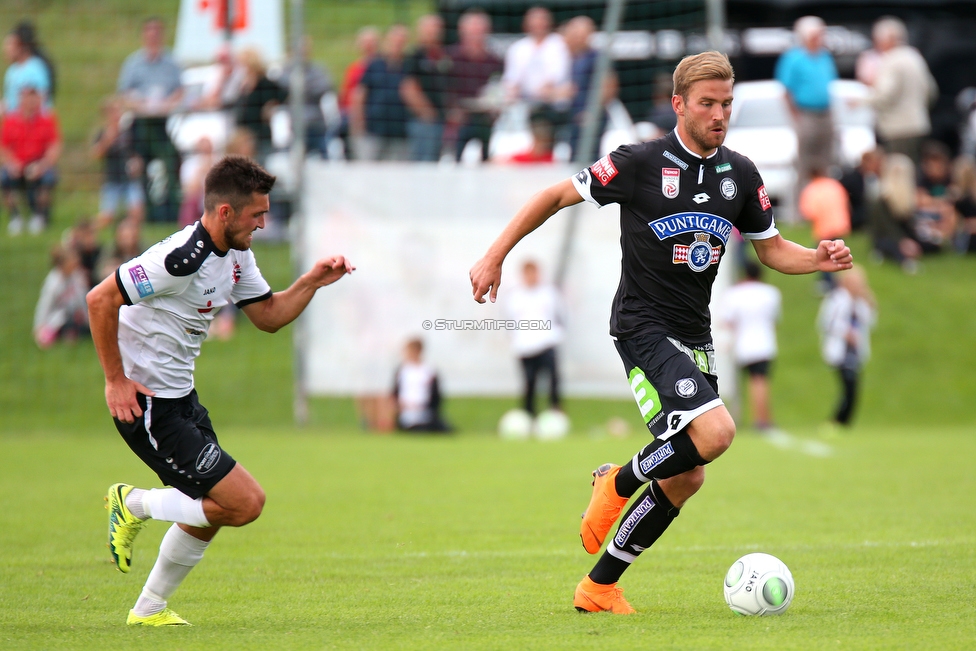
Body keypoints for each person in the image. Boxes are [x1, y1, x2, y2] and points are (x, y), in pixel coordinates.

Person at [469, 51, 853, 614]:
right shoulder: (639, 162)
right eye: (707, 104)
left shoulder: (741, 174)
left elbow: (771, 249)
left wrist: (817, 258)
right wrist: (495, 255)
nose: (719, 114)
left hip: (694, 335)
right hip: (642, 325)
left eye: (726, 104)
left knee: (687, 475)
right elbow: (554, 196)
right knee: (717, 432)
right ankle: (619, 482)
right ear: (679, 104)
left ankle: (597, 588)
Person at [87, 155, 355, 626]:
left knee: (210, 509)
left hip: (183, 400)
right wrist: (115, 379)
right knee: (244, 502)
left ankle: (148, 610)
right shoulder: (178, 260)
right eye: (257, 215)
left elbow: (268, 316)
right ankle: (132, 504)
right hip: (147, 406)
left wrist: (312, 282)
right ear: (226, 212)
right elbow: (100, 299)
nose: (264, 223)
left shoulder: (236, 255)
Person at [117, 17, 183, 222]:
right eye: (150, 33)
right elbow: (123, 94)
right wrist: (139, 103)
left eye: (157, 33)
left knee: (171, 160)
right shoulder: (134, 63)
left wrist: (167, 103)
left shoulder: (171, 63)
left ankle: (170, 210)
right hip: (140, 123)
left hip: (163, 122)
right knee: (139, 165)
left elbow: (180, 91)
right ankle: (145, 211)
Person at [774, 16, 837, 196]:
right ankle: (801, 208)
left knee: (827, 160)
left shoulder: (824, 56)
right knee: (805, 163)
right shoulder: (793, 58)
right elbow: (786, 91)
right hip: (806, 114)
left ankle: (825, 202)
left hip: (825, 113)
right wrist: (796, 117)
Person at [718, 260, 781, 431]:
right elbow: (775, 320)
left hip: (744, 345)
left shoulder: (735, 293)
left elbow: (727, 321)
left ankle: (757, 419)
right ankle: (762, 418)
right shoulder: (771, 293)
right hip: (765, 343)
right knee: (761, 381)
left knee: (753, 382)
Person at [867, 16, 938, 166]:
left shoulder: (891, 60)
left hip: (897, 129)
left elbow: (884, 95)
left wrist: (861, 101)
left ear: (889, 39)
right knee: (915, 168)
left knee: (898, 170)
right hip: (919, 125)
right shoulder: (915, 56)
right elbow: (931, 91)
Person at [817, 268, 875, 429]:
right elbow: (826, 322)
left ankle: (843, 423)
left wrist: (870, 301)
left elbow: (869, 322)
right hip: (840, 352)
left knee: (853, 389)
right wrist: (845, 332)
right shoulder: (836, 299)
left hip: (855, 353)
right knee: (848, 387)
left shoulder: (861, 302)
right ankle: (837, 421)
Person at [505, 260, 564, 416]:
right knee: (529, 383)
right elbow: (510, 322)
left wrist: (557, 333)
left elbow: (560, 316)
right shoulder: (515, 296)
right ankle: (529, 415)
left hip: (547, 343)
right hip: (525, 346)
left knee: (553, 380)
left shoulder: (549, 293)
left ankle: (555, 411)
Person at [0, 85, 61, 235]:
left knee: (47, 179)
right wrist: (11, 164)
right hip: (18, 163)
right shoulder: (11, 120)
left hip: (39, 163)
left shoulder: (46, 120)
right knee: (4, 178)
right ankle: (15, 216)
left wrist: (42, 165)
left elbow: (54, 146)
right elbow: (3, 146)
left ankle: (39, 215)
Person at [446, 10, 503, 162]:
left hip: (485, 118)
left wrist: (496, 109)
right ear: (462, 31)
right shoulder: (451, 57)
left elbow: (499, 87)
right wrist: (452, 110)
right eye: (472, 30)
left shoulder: (494, 60)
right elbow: (444, 87)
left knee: (487, 159)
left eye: (480, 30)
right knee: (455, 159)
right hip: (460, 119)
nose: (476, 34)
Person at [350, 25, 410, 161]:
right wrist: (358, 127)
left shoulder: (408, 66)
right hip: (374, 130)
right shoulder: (375, 65)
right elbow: (359, 96)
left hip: (399, 132)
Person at [562, 15, 618, 162]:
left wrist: (592, 112)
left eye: (580, 34)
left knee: (589, 159)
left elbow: (609, 86)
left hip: (591, 117)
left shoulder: (597, 57)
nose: (577, 38)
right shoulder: (573, 57)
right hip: (575, 116)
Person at [401, 15, 452, 162]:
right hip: (423, 122)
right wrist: (428, 113)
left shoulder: (443, 56)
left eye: (437, 29)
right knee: (423, 162)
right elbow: (408, 88)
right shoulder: (415, 56)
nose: (434, 33)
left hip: (442, 122)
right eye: (429, 29)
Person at [90, 96, 145, 228]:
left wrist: (137, 163)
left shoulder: (130, 132)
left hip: (130, 178)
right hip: (112, 179)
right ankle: (87, 229)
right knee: (107, 216)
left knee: (136, 212)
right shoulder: (102, 133)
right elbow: (96, 154)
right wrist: (110, 136)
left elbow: (139, 153)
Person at [502, 7, 571, 112]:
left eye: (542, 19)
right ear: (526, 24)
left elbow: (559, 73)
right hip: (524, 104)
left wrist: (545, 91)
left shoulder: (560, 43)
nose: (538, 23)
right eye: (534, 20)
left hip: (554, 103)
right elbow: (511, 79)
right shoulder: (517, 48)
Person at [279, 36, 334, 157]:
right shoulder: (285, 70)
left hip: (315, 124)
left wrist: (298, 87)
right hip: (293, 125)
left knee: (324, 157)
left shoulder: (318, 69)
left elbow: (325, 86)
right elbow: (281, 88)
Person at [233, 49, 288, 164]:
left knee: (261, 166)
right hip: (245, 135)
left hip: (261, 134)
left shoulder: (264, 82)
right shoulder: (243, 84)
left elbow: (284, 95)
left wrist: (273, 105)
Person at [868, 152, 921, 272]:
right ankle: (904, 261)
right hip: (886, 236)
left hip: (903, 235)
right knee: (893, 246)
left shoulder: (908, 196)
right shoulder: (882, 198)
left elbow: (908, 223)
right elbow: (886, 227)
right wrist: (903, 242)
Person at [33, 244, 89, 349]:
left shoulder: (77, 276)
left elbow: (82, 299)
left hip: (76, 314)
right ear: (62, 264)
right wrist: (38, 326)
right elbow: (44, 305)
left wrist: (86, 318)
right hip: (59, 317)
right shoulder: (53, 282)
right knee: (66, 323)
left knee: (84, 327)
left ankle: (74, 333)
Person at [392, 338, 452, 432]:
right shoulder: (402, 370)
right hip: (407, 412)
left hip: (425, 411)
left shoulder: (428, 370)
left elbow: (435, 394)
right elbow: (396, 392)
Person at [1, 27, 51, 114]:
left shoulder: (35, 70)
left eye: (10, 45)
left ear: (21, 46)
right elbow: (9, 101)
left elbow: (39, 101)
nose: (7, 49)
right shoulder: (12, 71)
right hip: (14, 123)